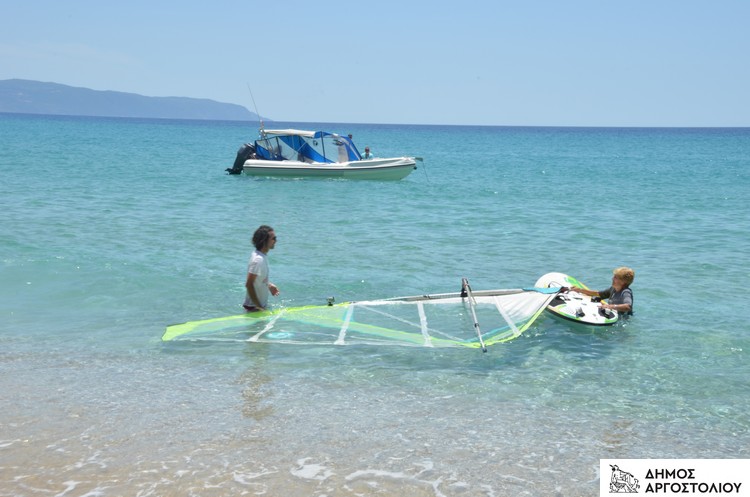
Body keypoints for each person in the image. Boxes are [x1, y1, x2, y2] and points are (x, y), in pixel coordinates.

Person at [569, 267, 634, 315]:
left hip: (623, 320)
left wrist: (610, 306)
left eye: (615, 277)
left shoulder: (626, 292)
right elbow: (598, 294)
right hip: (613, 316)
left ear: (623, 281)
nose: (612, 278)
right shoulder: (613, 289)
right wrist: (580, 290)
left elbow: (628, 306)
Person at [243, 225, 280, 312]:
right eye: (273, 238)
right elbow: (249, 284)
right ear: (264, 241)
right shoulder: (258, 259)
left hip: (257, 308)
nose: (276, 241)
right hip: (254, 308)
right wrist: (259, 307)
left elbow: (257, 279)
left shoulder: (260, 256)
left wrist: (269, 285)